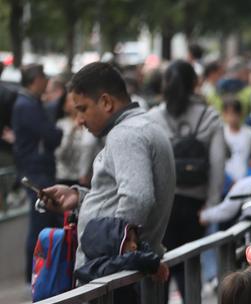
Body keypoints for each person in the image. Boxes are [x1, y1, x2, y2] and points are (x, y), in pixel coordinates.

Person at [40, 61, 175, 269]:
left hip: (112, 281)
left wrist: (124, 252)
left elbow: (137, 199)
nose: (79, 120)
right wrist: (80, 198)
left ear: (106, 102)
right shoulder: (143, 126)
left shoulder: (126, 134)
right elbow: (122, 196)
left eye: (82, 109)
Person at [152, 60, 226, 304]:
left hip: (160, 207)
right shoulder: (209, 117)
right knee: (189, 271)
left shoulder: (153, 117)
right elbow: (218, 163)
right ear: (195, 83)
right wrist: (212, 204)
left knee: (157, 271)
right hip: (195, 205)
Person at [13, 63, 63, 282]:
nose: (47, 82)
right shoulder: (27, 105)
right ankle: (33, 276)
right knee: (40, 226)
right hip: (36, 173)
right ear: (36, 80)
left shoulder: (30, 103)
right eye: (44, 77)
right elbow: (51, 135)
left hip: (38, 170)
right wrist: (57, 131)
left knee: (46, 224)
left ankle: (45, 274)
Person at [53, 87, 98, 188]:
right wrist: (72, 130)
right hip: (65, 177)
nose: (76, 103)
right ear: (65, 106)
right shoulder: (61, 125)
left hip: (88, 179)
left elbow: (94, 148)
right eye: (72, 100)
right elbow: (60, 154)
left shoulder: (91, 123)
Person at [222, 98, 251, 183]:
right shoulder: (221, 133)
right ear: (223, 114)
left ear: (240, 114)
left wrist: (249, 175)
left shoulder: (250, 133)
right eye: (228, 114)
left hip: (245, 177)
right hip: (226, 179)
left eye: (234, 113)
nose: (232, 117)